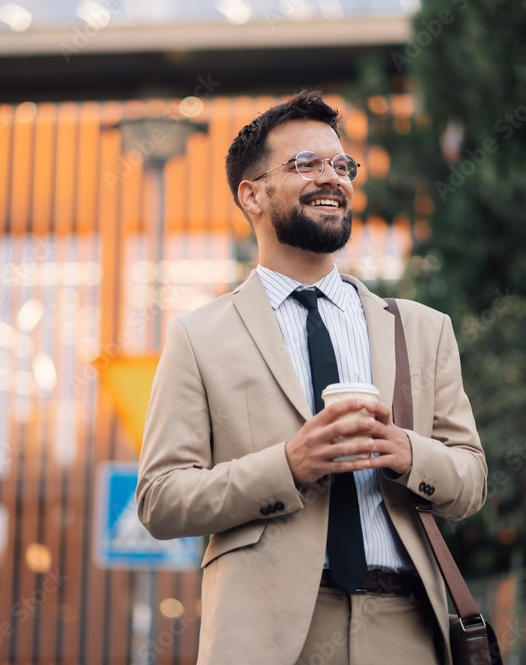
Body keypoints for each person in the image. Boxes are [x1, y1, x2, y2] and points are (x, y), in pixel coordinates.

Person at [136, 90, 487, 665]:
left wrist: (405, 451)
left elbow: (471, 480)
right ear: (251, 194)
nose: (332, 178)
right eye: (305, 165)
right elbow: (160, 499)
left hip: (405, 630)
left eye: (340, 165)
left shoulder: (423, 330)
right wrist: (287, 467)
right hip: (266, 636)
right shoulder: (199, 337)